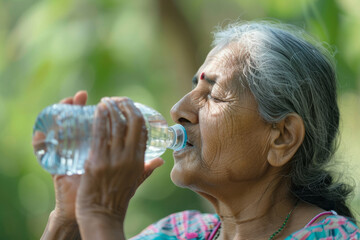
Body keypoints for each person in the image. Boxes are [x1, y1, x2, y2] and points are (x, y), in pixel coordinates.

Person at [39, 21, 360, 240]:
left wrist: (101, 217)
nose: (178, 110)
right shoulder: (180, 232)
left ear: (282, 137)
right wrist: (69, 221)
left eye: (213, 95)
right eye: (192, 89)